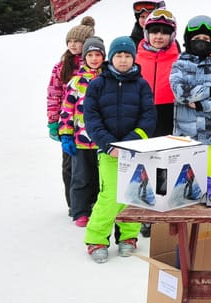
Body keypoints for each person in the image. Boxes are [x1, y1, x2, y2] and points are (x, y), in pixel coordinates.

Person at [82, 36, 156, 263]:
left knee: (133, 195)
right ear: (110, 58)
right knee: (111, 196)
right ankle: (97, 238)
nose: (123, 60)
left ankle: (128, 236)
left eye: (127, 56)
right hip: (109, 152)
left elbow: (148, 117)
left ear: (133, 58)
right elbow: (91, 119)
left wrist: (133, 141)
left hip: (135, 152)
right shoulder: (97, 85)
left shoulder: (141, 84)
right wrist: (109, 145)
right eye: (118, 56)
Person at [170, 16, 211, 179]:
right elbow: (180, 93)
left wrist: (200, 105)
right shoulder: (179, 65)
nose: (201, 42)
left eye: (206, 39)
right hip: (186, 138)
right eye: (197, 38)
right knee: (187, 185)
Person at [47, 15, 96, 217]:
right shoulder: (62, 66)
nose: (73, 45)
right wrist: (53, 121)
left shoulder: (93, 64)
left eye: (78, 41)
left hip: (89, 126)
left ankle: (92, 201)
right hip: (68, 125)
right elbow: (54, 94)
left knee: (90, 166)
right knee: (70, 165)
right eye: (71, 41)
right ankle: (74, 203)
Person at [58, 36, 106, 227]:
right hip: (80, 140)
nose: (94, 59)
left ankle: (98, 207)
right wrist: (66, 134)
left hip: (103, 140)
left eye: (98, 55)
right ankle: (80, 211)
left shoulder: (107, 79)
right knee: (81, 177)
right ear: (84, 57)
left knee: (100, 177)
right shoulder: (76, 82)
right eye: (90, 55)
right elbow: (67, 111)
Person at [136, 9, 180, 138]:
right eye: (154, 32)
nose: (159, 36)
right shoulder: (135, 60)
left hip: (169, 114)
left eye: (165, 33)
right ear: (147, 33)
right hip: (141, 112)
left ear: (172, 35)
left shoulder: (179, 61)